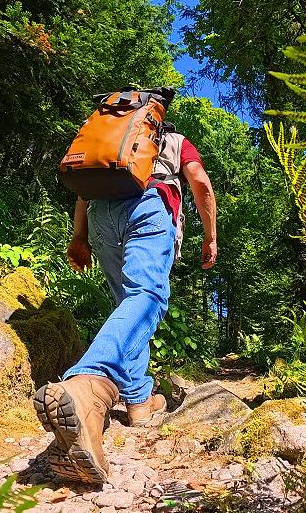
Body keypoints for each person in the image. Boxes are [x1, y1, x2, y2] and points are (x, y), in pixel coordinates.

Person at [34, 128, 217, 483]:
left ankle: (139, 402)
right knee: (147, 298)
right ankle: (88, 385)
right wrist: (210, 237)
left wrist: (79, 236)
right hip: (148, 204)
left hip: (100, 216)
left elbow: (84, 193)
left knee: (129, 306)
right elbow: (200, 181)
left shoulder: (110, 139)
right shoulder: (172, 140)